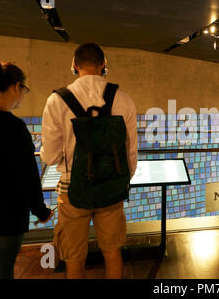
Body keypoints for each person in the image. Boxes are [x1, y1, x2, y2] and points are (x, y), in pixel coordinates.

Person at [41, 43, 137, 279]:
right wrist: (121, 178)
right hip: (111, 186)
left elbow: (51, 156)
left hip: (73, 188)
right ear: (103, 64)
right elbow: (130, 152)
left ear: (74, 65)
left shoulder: (57, 100)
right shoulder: (123, 99)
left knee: (74, 257)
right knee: (113, 252)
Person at [0, 56, 53, 279]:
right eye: (24, 89)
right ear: (16, 86)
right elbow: (28, 177)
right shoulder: (14, 128)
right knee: (1, 269)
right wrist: (41, 211)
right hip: (7, 214)